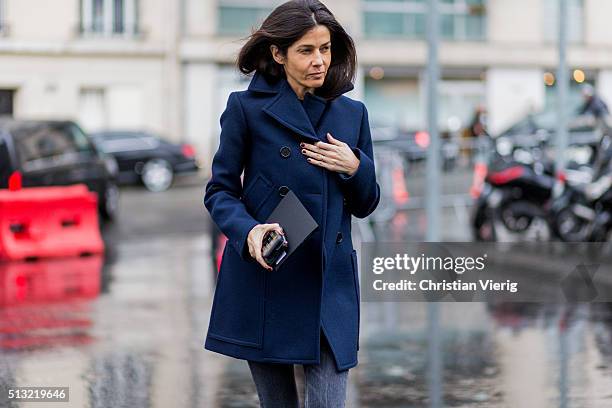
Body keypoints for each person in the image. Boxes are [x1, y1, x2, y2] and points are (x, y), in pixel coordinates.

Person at [202, 1, 380, 407]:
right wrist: (249, 231)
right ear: (278, 54)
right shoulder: (245, 110)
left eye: (326, 48)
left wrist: (356, 167)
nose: (320, 61)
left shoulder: (352, 114)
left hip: (329, 287)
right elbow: (220, 190)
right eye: (306, 50)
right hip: (269, 275)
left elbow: (368, 203)